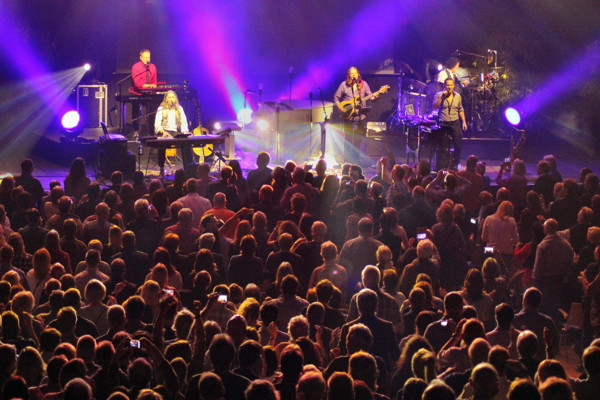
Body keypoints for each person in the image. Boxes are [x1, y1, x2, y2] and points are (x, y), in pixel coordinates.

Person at [333, 66, 379, 163]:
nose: (353, 75)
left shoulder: (363, 84)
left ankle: (355, 162)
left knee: (358, 139)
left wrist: (375, 97)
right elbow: (336, 98)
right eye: (351, 73)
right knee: (348, 139)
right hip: (348, 116)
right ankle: (347, 162)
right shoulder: (344, 85)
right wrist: (339, 106)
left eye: (355, 73)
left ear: (358, 74)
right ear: (348, 75)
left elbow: (370, 96)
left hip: (361, 116)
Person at [154, 90, 190, 177]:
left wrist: (185, 132)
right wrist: (163, 132)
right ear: (166, 99)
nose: (171, 99)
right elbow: (157, 124)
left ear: (175, 99)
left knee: (187, 143)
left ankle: (188, 168)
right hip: (165, 131)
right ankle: (161, 169)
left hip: (176, 132)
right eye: (169, 97)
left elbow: (184, 123)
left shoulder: (179, 109)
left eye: (173, 97)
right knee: (162, 145)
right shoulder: (161, 109)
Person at [433, 78, 467, 169]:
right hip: (443, 122)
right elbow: (435, 106)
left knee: (458, 144)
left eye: (451, 85)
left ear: (454, 85)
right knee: (444, 146)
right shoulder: (439, 95)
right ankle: (443, 166)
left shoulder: (458, 96)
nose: (449, 87)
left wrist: (464, 122)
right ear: (444, 85)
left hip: (454, 122)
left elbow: (461, 109)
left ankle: (456, 163)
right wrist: (441, 98)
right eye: (447, 85)